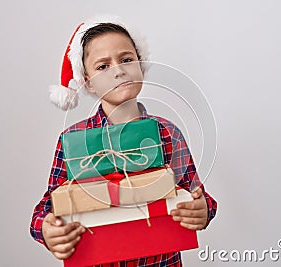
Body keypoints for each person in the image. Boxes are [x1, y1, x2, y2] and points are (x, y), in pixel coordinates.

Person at [30, 15, 217, 266]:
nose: (118, 70)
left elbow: (196, 194)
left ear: (140, 65)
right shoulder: (73, 140)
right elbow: (46, 207)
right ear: (88, 82)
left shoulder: (167, 133)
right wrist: (47, 229)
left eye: (126, 60)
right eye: (103, 66)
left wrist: (202, 210)